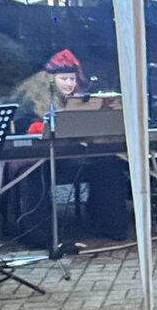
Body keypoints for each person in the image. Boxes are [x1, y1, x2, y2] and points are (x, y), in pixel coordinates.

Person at [9, 50, 130, 242]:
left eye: (72, 79)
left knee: (109, 166)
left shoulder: (83, 100)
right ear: (50, 80)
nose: (69, 83)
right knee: (33, 175)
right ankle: (39, 235)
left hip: (77, 154)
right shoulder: (30, 103)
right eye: (64, 78)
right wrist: (38, 128)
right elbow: (23, 132)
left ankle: (111, 225)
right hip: (42, 157)